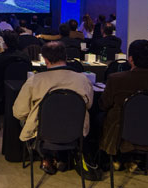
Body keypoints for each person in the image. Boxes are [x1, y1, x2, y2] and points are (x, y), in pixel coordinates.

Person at [13, 41, 93, 173]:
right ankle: (63, 157)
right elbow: (89, 105)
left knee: (27, 121)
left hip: (43, 132)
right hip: (76, 131)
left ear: (45, 60)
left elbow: (19, 112)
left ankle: (47, 156)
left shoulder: (35, 80)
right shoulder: (83, 80)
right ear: (65, 57)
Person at [99, 40, 148, 162]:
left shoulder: (116, 79)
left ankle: (106, 159)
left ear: (130, 59)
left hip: (121, 133)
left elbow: (104, 105)